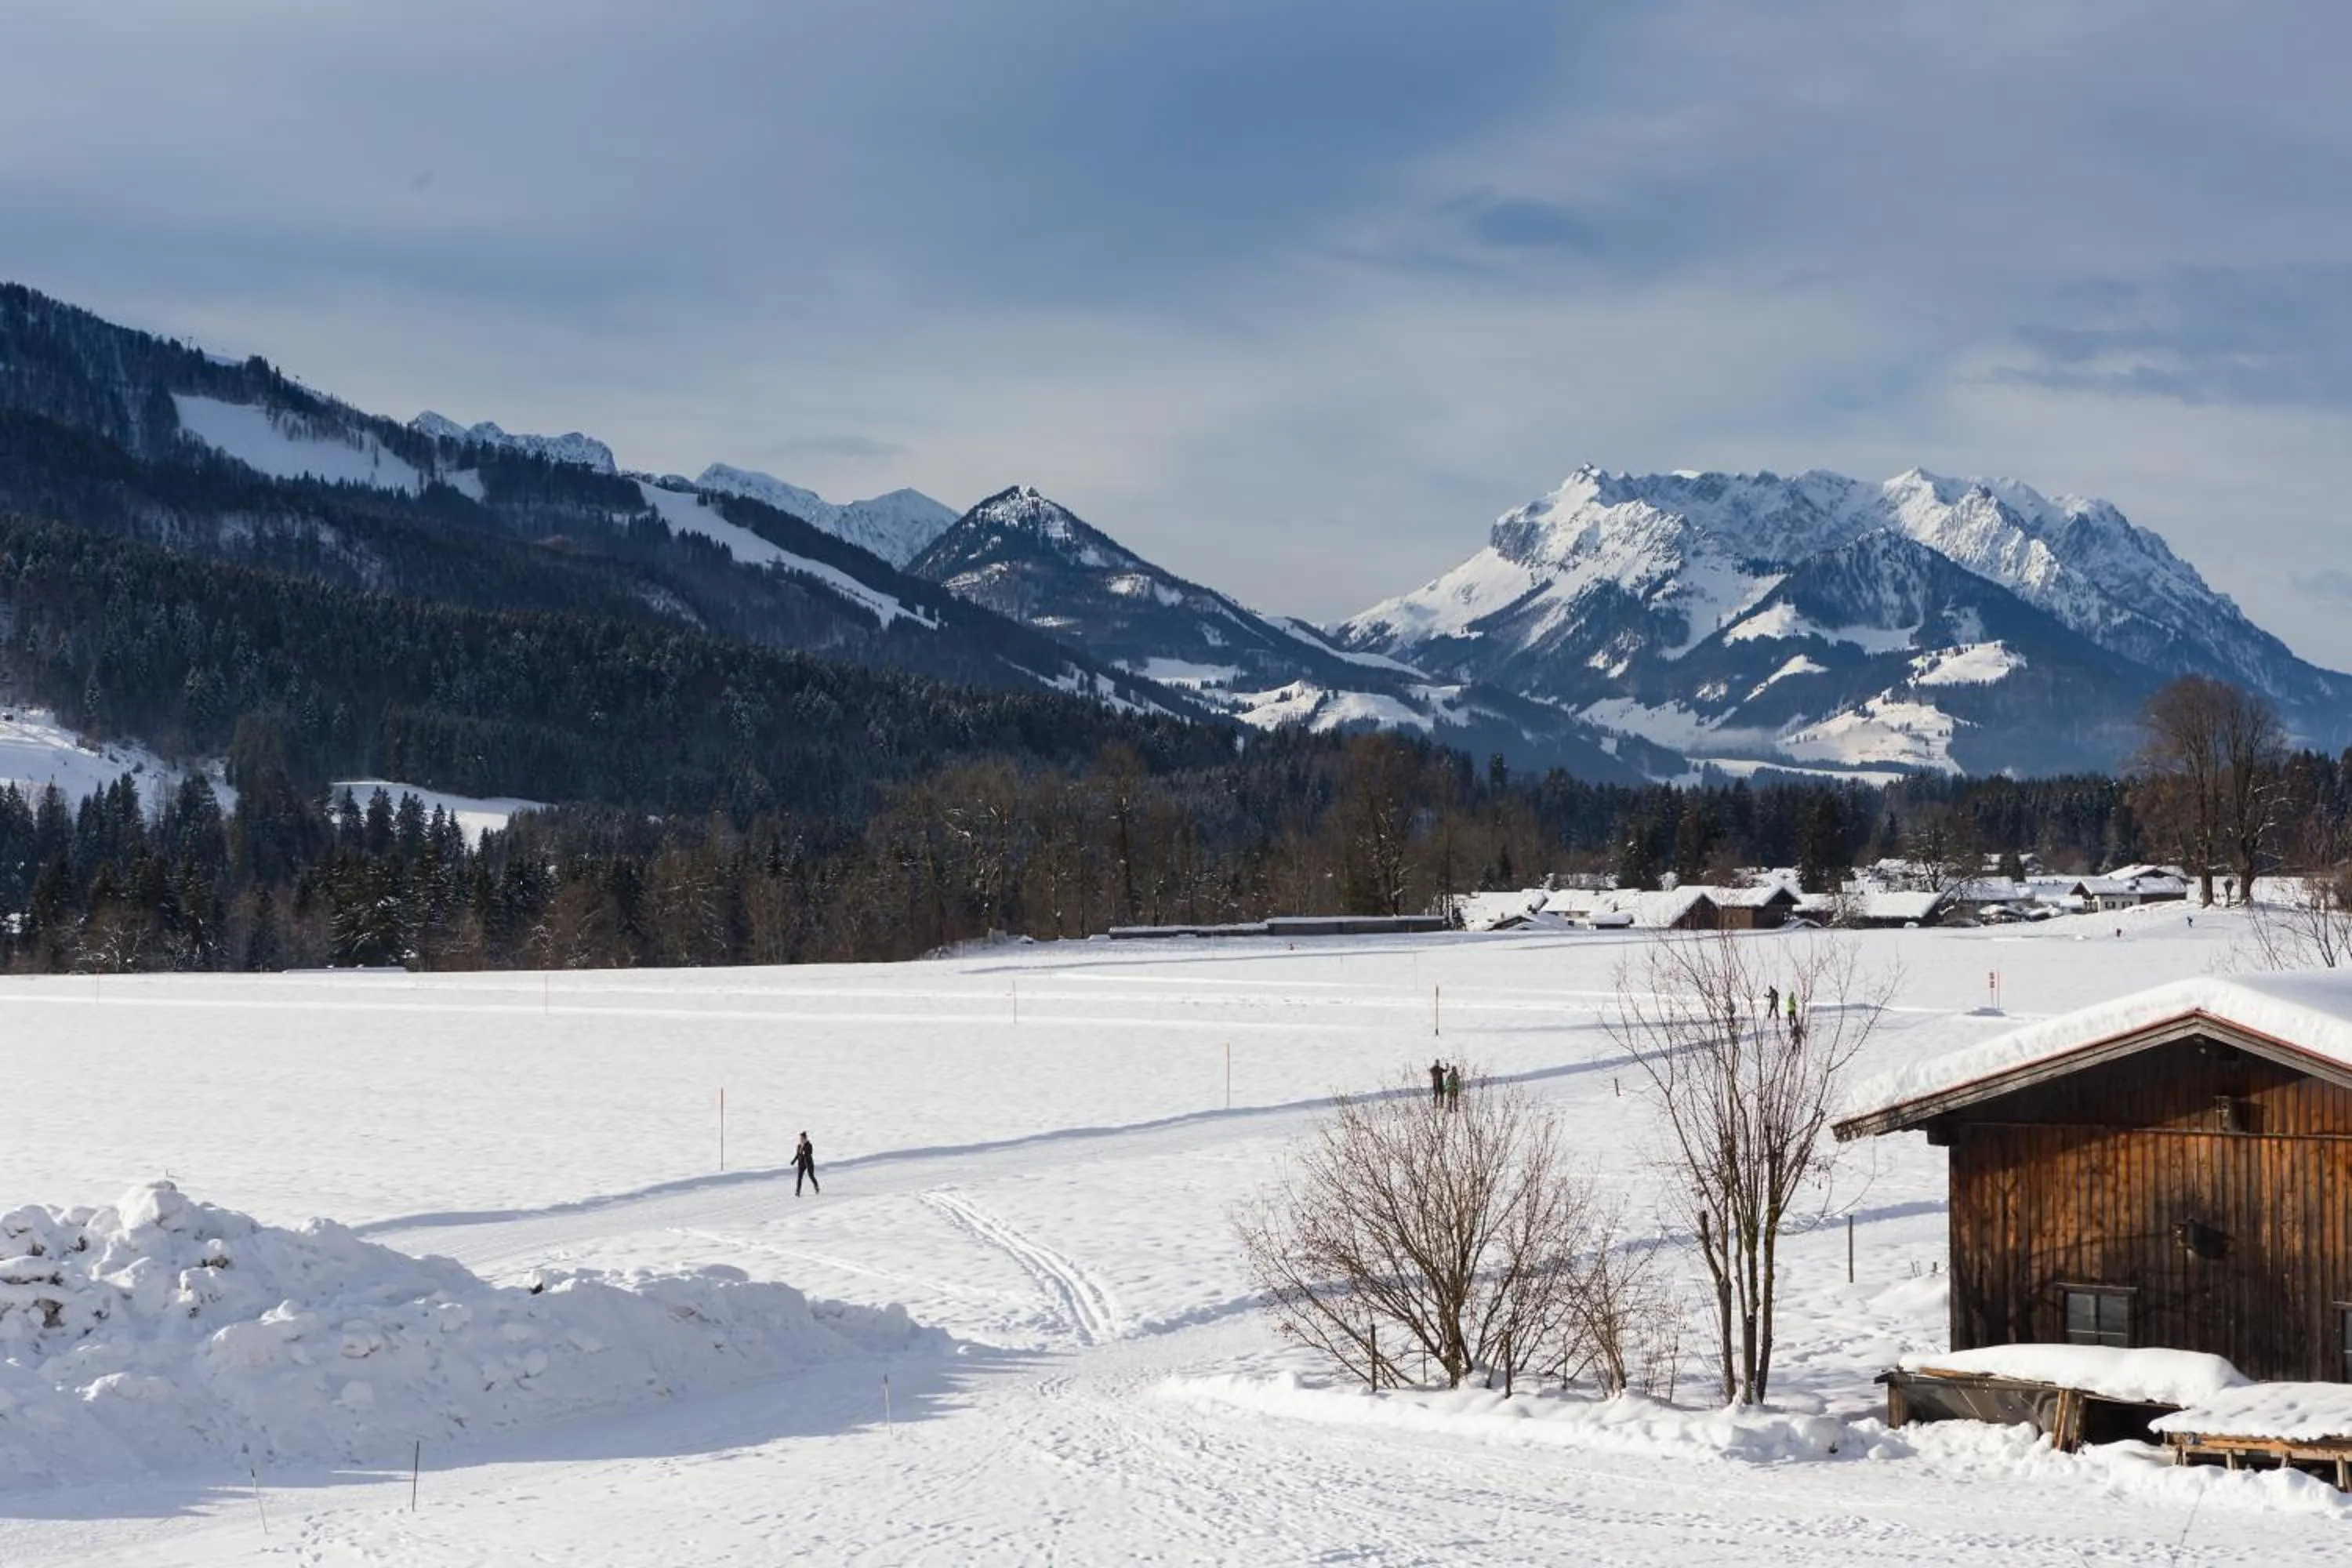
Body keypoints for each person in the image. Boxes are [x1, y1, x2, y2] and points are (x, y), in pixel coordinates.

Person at [793, 1131, 819, 1196]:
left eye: (802, 1138)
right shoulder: (799, 1146)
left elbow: (810, 1152)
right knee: (799, 1177)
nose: (801, 1140)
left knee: (811, 1175)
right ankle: (798, 1191)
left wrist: (805, 1151)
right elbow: (798, 1154)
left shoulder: (809, 1145)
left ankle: (816, 1186)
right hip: (801, 1164)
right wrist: (794, 1161)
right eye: (800, 1138)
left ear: (805, 1138)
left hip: (808, 1163)